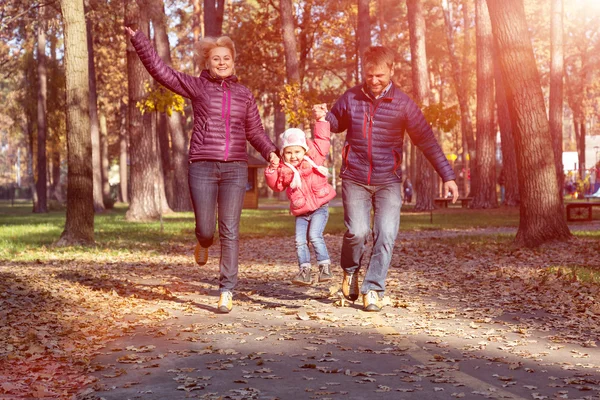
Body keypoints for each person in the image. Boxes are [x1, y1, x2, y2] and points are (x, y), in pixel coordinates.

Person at [125, 27, 280, 314]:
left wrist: (270, 151)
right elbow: (163, 73)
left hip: (235, 168)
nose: (222, 62)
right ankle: (203, 241)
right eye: (216, 59)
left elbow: (255, 131)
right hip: (202, 167)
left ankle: (226, 290)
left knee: (230, 230)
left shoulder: (244, 94)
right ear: (207, 63)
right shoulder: (198, 87)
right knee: (207, 229)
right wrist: (140, 42)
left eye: (227, 58)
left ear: (233, 62)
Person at [324, 45, 459, 312]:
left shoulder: (403, 104)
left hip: (388, 180)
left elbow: (427, 141)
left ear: (391, 71)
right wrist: (321, 118)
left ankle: (373, 288)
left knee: (386, 233)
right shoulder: (351, 98)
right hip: (355, 177)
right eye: (369, 75)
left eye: (380, 76)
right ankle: (350, 271)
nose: (374, 81)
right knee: (357, 232)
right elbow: (333, 123)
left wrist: (448, 176)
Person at [264, 104, 336, 286]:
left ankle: (324, 267)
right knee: (299, 241)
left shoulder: (314, 160)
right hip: (301, 212)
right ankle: (304, 271)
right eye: (288, 152)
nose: (293, 156)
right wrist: (272, 169)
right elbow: (276, 185)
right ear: (283, 154)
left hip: (319, 208)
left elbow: (322, 140)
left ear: (304, 150)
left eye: (297, 151)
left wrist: (320, 120)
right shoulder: (285, 170)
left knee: (314, 236)